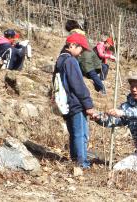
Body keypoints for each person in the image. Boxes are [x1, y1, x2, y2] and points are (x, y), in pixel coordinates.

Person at [53, 33, 96, 168]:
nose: (81, 53)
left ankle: (74, 159)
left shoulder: (60, 60)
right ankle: (82, 163)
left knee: (73, 133)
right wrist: (88, 104)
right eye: (81, 49)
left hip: (65, 103)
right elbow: (78, 85)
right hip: (75, 103)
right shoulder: (71, 61)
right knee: (81, 134)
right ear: (72, 45)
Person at [65, 20, 106, 94]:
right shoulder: (81, 32)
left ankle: (101, 88)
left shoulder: (73, 33)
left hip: (84, 55)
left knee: (90, 72)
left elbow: (72, 45)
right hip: (89, 53)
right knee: (90, 72)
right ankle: (99, 87)